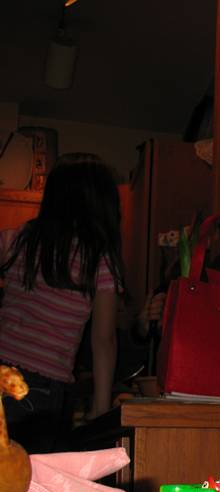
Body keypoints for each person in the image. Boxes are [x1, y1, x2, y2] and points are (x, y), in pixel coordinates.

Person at [0, 153, 125, 452]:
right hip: (39, 392)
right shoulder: (99, 258)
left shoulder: (21, 239)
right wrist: (101, 407)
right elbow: (103, 340)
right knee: (30, 485)